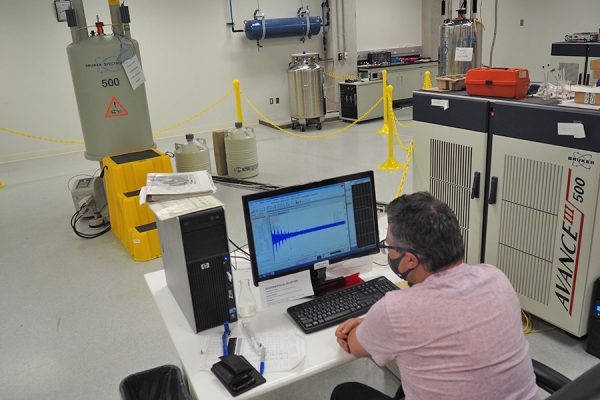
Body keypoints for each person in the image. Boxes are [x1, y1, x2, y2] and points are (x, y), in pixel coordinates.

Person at [332, 191, 540, 400]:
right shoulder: (496, 277)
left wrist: (370, 324)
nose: (389, 253)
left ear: (410, 260)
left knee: (345, 393)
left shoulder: (395, 311)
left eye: (389, 248)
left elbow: (353, 345)